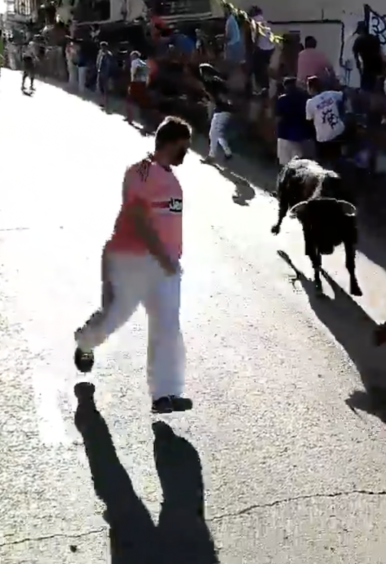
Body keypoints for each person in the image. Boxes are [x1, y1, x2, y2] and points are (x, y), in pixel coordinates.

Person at [73, 117, 194, 415]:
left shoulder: (172, 178)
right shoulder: (139, 172)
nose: (186, 153)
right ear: (169, 142)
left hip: (165, 267)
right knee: (113, 317)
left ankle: (164, 394)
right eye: (183, 147)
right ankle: (85, 342)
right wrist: (162, 256)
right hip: (129, 259)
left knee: (167, 326)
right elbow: (138, 218)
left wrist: (170, 260)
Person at [305, 75, 347, 165]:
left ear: (311, 88)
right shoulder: (331, 94)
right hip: (339, 131)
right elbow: (344, 95)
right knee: (337, 158)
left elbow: (309, 120)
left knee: (321, 160)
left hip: (324, 139)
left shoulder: (310, 103)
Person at [198, 63, 234, 161]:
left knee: (213, 133)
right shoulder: (216, 81)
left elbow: (218, 98)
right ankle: (228, 153)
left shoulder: (213, 83)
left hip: (223, 109)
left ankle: (211, 156)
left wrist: (210, 99)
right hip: (222, 109)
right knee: (218, 134)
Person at [275, 76, 311, 167]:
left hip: (284, 135)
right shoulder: (304, 97)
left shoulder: (282, 99)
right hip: (300, 136)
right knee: (298, 166)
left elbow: (278, 118)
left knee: (284, 165)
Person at [249, 6, 276, 96]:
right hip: (270, 47)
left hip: (261, 47)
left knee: (258, 69)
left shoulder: (254, 20)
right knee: (265, 67)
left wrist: (254, 46)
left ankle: (260, 88)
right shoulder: (265, 21)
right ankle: (267, 87)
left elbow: (256, 34)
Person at [351, 22, 384, 92]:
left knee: (366, 89)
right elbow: (380, 52)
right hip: (378, 66)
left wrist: (358, 66)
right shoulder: (374, 38)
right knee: (376, 88)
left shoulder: (359, 40)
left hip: (367, 67)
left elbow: (355, 54)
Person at [126, 51, 149, 124]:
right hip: (142, 83)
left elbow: (136, 70)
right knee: (141, 101)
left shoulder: (134, 62)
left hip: (135, 83)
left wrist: (135, 77)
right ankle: (143, 119)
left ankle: (130, 118)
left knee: (129, 100)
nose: (130, 58)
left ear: (134, 56)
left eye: (131, 56)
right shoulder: (143, 63)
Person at [96, 41, 115, 108]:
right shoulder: (100, 53)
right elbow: (98, 62)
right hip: (100, 72)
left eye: (103, 47)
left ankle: (106, 102)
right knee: (101, 88)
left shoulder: (108, 54)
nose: (102, 48)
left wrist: (108, 73)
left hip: (105, 73)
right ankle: (102, 101)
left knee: (105, 88)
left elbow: (109, 65)